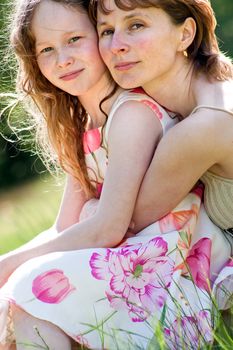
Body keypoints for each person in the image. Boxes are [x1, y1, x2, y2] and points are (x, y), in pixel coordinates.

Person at [0, 1, 231, 350]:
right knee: (18, 296)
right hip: (137, 260)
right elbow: (67, 226)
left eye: (75, 39)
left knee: (29, 285)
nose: (63, 59)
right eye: (47, 49)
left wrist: (12, 266)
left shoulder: (145, 116)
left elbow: (115, 225)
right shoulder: (89, 124)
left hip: (172, 272)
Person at [93, 0, 233, 236]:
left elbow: (123, 224)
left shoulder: (203, 127)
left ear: (185, 34)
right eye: (107, 31)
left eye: (136, 25)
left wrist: (88, 205)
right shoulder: (214, 81)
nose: (116, 46)